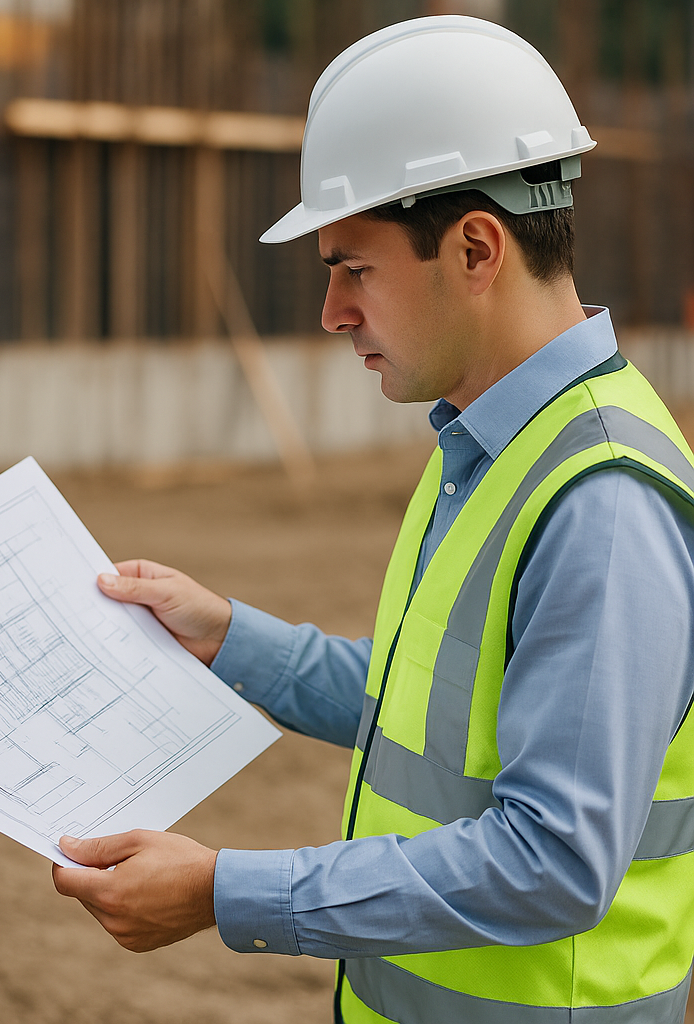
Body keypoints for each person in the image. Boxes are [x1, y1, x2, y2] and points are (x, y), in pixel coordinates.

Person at [52, 16, 694, 1023]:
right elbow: (430, 712)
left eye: (354, 269)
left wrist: (226, 891)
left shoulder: (600, 498)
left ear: (477, 247)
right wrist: (226, 636)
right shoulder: (492, 448)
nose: (332, 314)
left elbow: (556, 859)